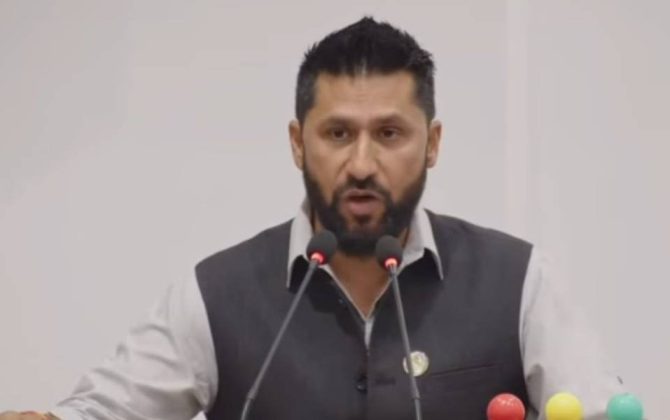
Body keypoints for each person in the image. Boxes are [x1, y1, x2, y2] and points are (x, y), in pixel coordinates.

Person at [2, 17, 624, 420]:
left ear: (432, 143)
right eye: (337, 134)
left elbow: (602, 408)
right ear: (299, 143)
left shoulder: (518, 281)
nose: (362, 164)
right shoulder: (216, 295)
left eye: (389, 134)